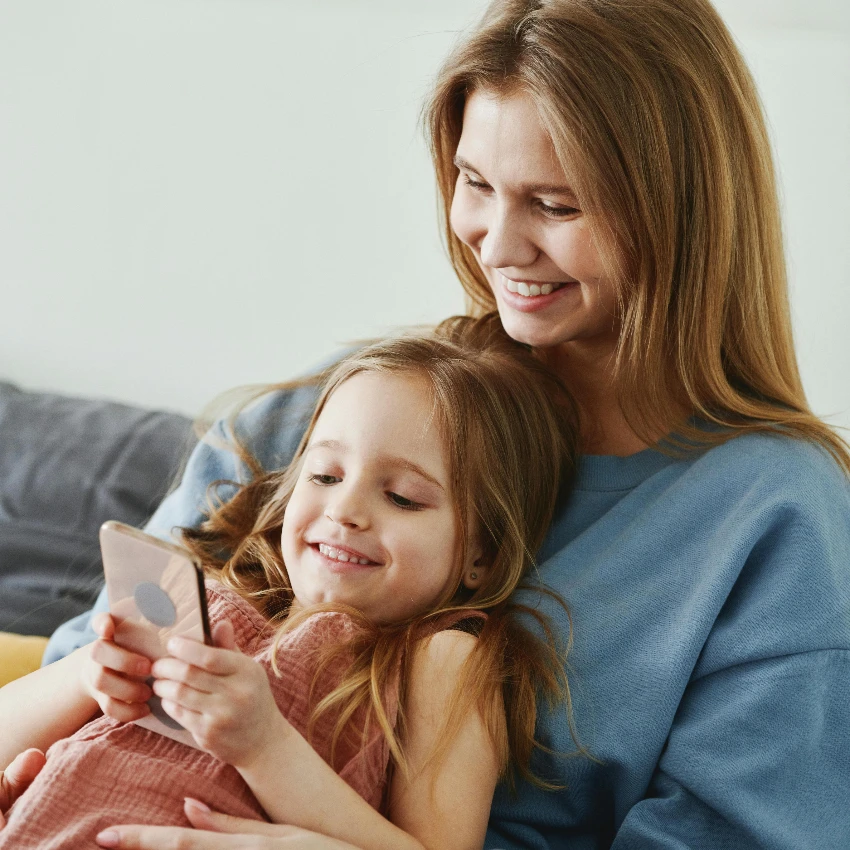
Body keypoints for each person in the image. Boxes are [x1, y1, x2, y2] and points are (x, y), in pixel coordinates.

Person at [5, 0, 850, 847]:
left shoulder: (776, 515)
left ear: (681, 210)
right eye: (476, 184)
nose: (498, 245)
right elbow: (87, 666)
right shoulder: (353, 410)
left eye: (556, 205)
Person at [0, 315, 579, 849]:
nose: (344, 509)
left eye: (402, 497)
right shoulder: (209, 602)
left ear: (482, 554)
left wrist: (264, 746)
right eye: (325, 475)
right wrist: (91, 674)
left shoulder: (439, 659)